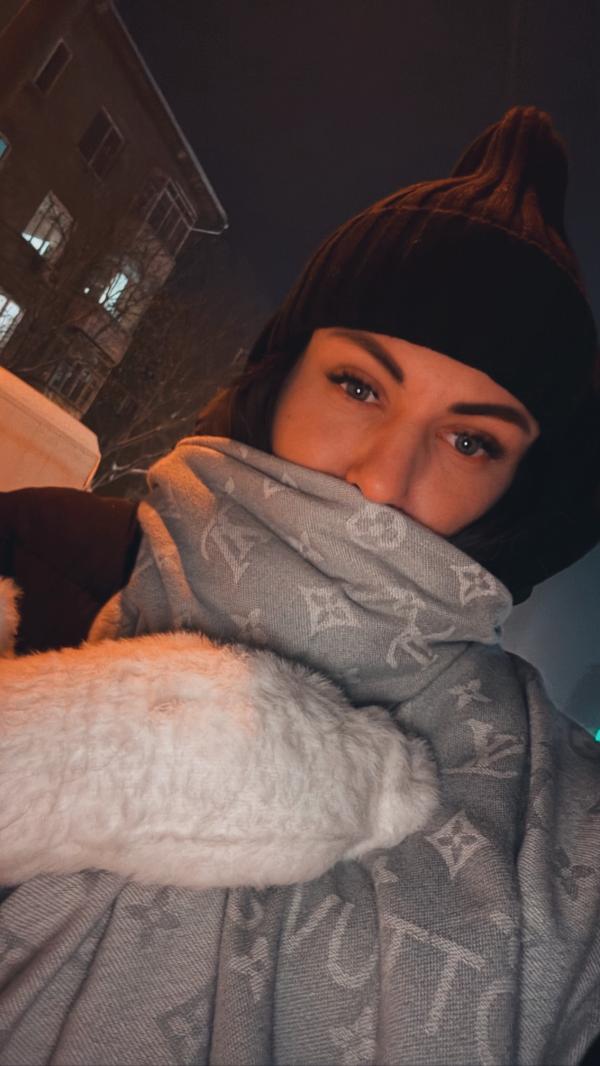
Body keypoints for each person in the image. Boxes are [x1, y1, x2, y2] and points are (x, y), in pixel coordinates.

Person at [0, 105, 599, 1066]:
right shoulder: (35, 559)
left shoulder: (561, 814)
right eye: (358, 386)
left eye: (469, 440)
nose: (380, 479)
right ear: (282, 376)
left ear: (520, 492)